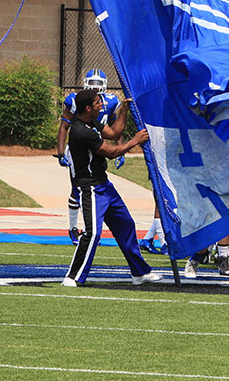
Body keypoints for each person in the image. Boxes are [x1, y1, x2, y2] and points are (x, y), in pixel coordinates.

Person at [61, 88, 159, 287]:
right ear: (88, 108)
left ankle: (139, 272)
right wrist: (135, 141)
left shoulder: (92, 122)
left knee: (125, 224)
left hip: (104, 185)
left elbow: (114, 133)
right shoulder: (81, 131)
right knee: (92, 233)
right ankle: (72, 277)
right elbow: (111, 152)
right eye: (98, 103)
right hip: (89, 188)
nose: (102, 105)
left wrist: (124, 109)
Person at [56, 68, 122, 244]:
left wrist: (120, 149)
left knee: (95, 188)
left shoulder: (111, 101)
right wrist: (61, 151)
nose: (95, 88)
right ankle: (73, 228)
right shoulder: (76, 100)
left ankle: (89, 230)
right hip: (80, 147)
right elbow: (64, 126)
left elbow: (115, 128)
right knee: (78, 188)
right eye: (91, 85)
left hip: (98, 146)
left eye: (98, 85)